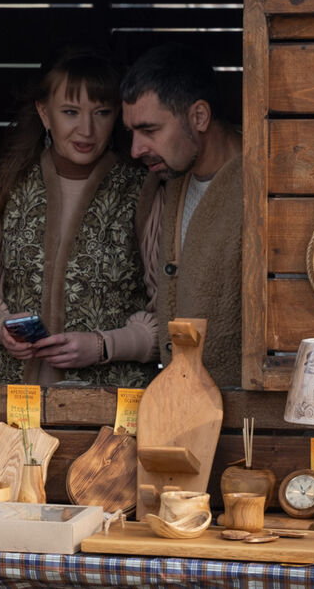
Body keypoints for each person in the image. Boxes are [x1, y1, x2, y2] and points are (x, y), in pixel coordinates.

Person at [0, 44, 161, 387]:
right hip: (12, 400)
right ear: (45, 113)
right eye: (71, 112)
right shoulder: (9, 186)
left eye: (102, 112)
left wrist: (104, 346)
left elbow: (170, 310)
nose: (87, 130)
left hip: (110, 404)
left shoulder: (143, 192)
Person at [121, 42, 243, 386]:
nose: (135, 150)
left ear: (199, 116)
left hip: (248, 416)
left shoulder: (261, 186)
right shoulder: (169, 181)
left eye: (150, 130)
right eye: (132, 132)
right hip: (183, 404)